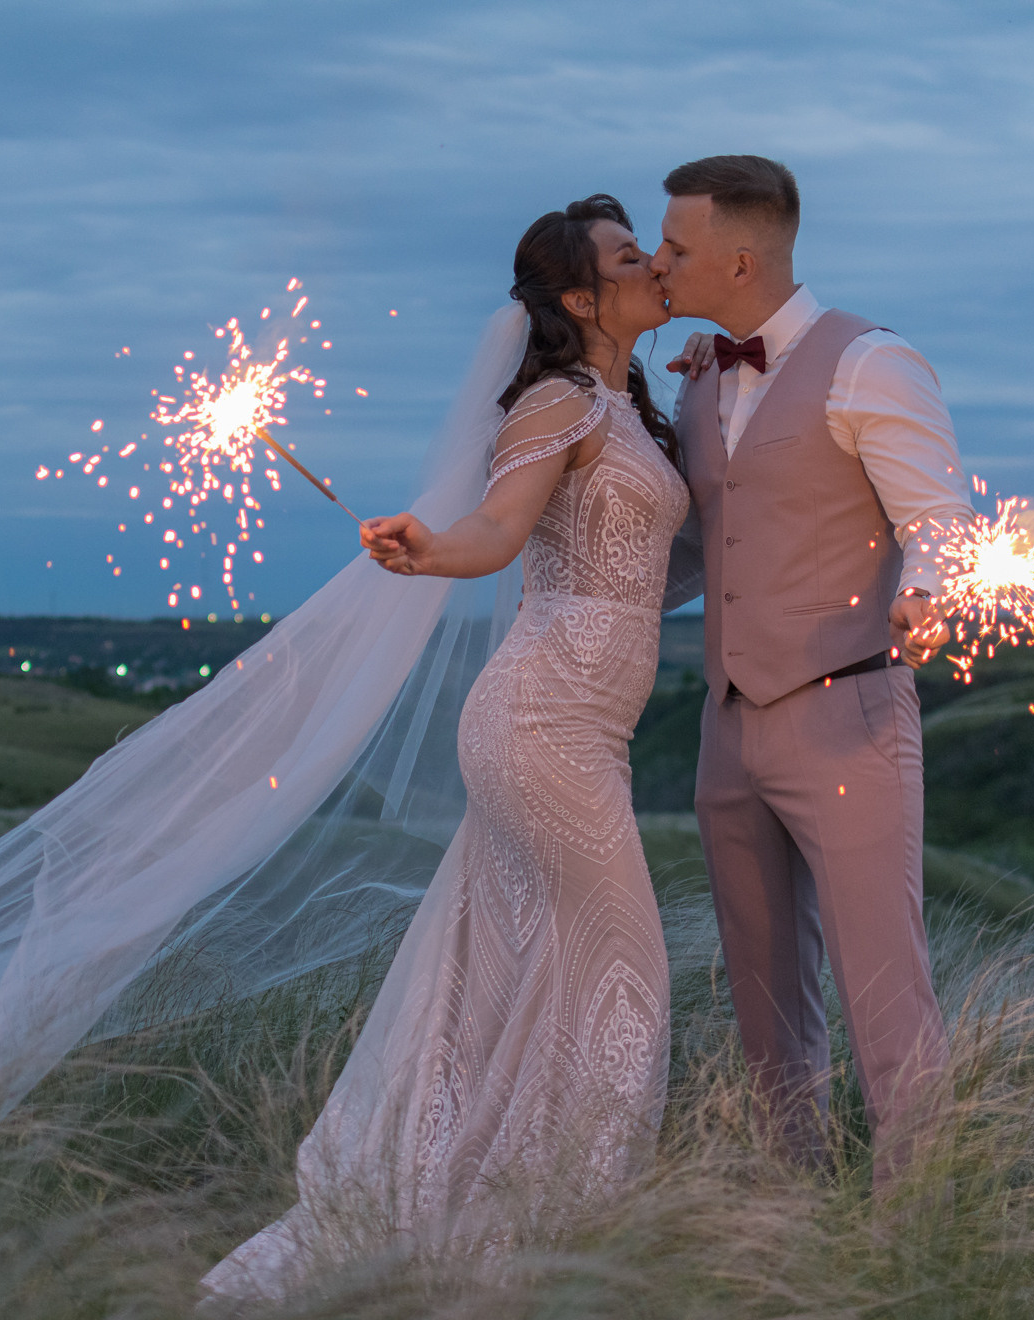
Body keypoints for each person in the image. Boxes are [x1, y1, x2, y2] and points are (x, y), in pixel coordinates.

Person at [200, 194, 695, 1299]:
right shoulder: (559, 402)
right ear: (581, 300)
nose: (653, 265)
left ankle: (483, 1214)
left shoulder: (634, 408)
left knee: (523, 984)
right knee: (625, 976)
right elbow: (499, 527)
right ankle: (563, 1234)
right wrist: (432, 550)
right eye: (628, 257)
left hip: (593, 733)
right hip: (540, 720)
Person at [649, 154, 972, 1184]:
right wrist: (593, 591)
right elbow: (710, 548)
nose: (659, 262)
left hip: (850, 715)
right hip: (727, 728)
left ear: (740, 262)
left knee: (886, 992)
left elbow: (941, 520)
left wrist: (927, 591)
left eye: (676, 247)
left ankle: (922, 1218)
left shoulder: (873, 363)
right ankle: (789, 1210)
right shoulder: (700, 379)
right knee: (762, 993)